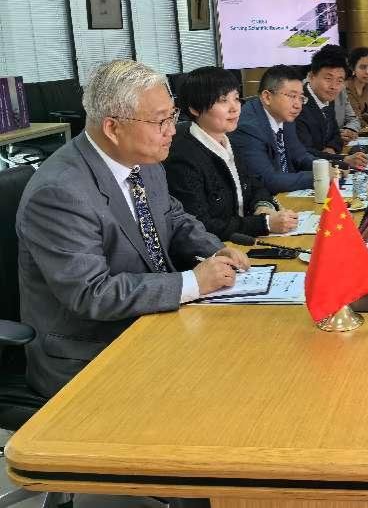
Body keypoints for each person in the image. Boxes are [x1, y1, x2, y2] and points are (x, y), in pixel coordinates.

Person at [17, 60, 249, 397]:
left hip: (153, 322)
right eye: (160, 121)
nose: (172, 131)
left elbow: (172, 216)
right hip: (92, 353)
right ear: (113, 128)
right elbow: (92, 293)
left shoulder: (143, 159)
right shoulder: (60, 193)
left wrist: (214, 248)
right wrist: (192, 282)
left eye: (172, 116)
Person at [165, 66, 299, 240]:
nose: (234, 108)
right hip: (217, 249)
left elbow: (255, 184)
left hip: (244, 240)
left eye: (236, 98)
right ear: (195, 109)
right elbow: (201, 225)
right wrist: (264, 223)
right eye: (223, 100)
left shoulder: (227, 141)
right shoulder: (183, 158)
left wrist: (263, 206)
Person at [230, 65, 317, 195]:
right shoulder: (248, 127)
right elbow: (267, 180)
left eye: (301, 98)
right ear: (267, 97)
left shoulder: (284, 117)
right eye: (292, 96)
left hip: (288, 195)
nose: (298, 105)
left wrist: (327, 167)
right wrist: (319, 176)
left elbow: (300, 155)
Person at [295, 45, 368, 169]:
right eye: (328, 79)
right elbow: (304, 152)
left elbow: (335, 134)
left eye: (339, 81)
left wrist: (332, 148)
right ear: (312, 76)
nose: (334, 87)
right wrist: (341, 160)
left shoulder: (327, 98)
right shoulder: (298, 104)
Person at [346, 46, 368, 127]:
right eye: (362, 67)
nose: (367, 72)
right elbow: (355, 119)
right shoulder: (346, 89)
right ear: (353, 69)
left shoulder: (367, 87)